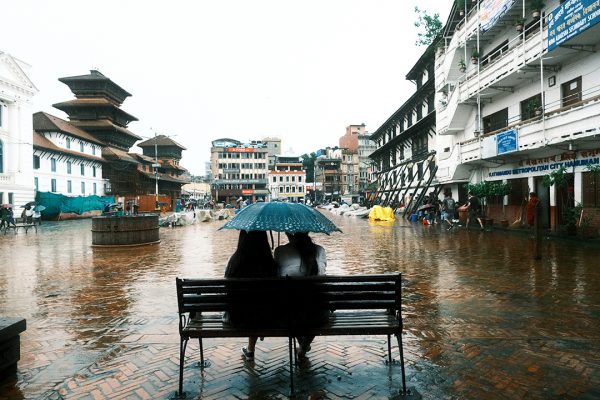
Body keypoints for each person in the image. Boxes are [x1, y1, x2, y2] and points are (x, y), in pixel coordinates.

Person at [224, 230, 278, 362]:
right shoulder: (269, 262)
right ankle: (250, 348)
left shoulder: (235, 260)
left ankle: (250, 350)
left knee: (249, 306)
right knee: (257, 306)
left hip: (237, 317)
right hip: (266, 317)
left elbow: (227, 289)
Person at [275, 232, 328, 358]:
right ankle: (304, 345)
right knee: (315, 304)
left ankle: (302, 344)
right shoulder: (320, 250)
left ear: (288, 233)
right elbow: (322, 274)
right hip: (317, 316)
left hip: (288, 315)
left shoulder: (280, 251)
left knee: (291, 304)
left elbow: (277, 278)